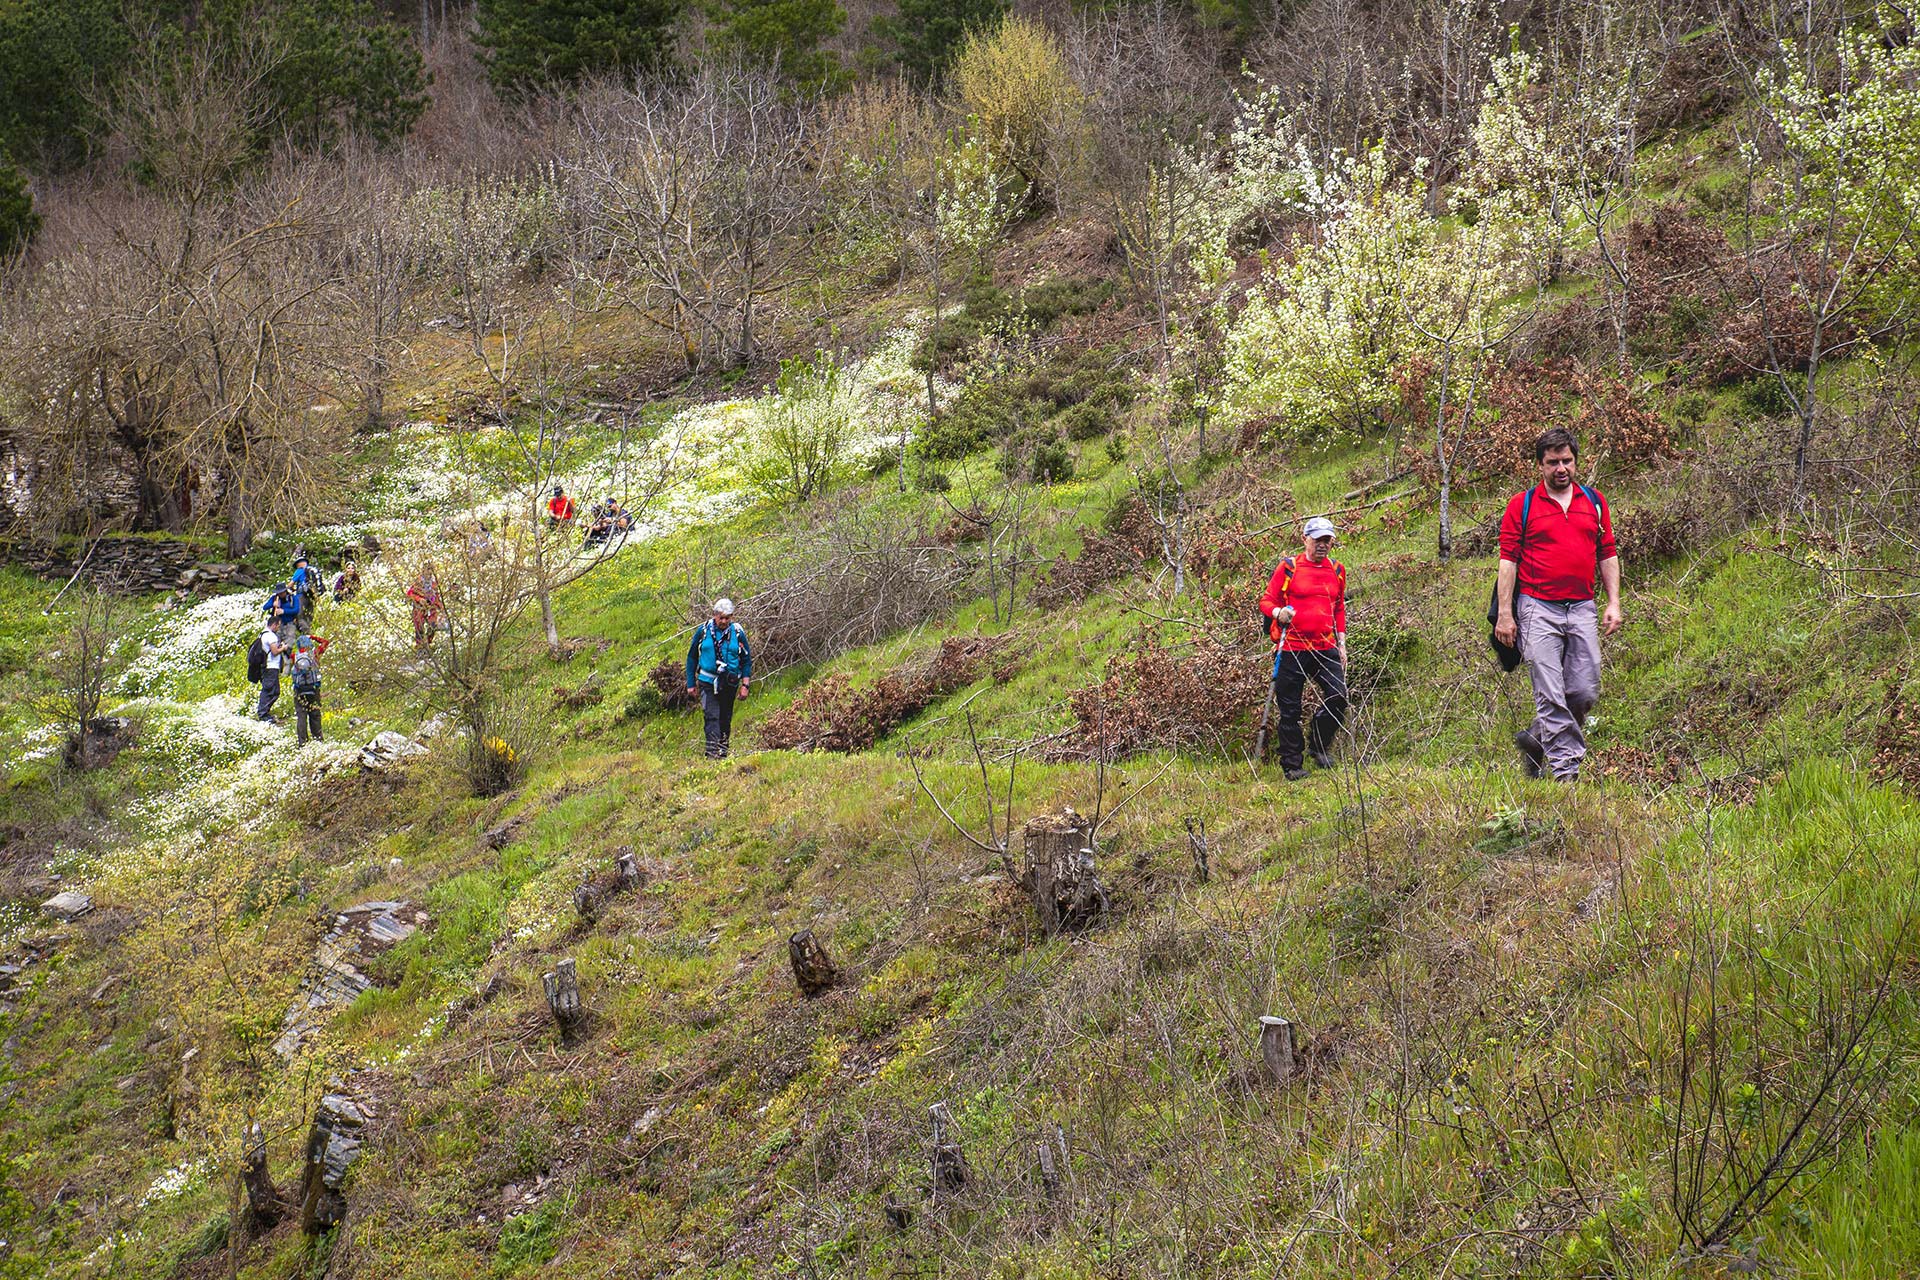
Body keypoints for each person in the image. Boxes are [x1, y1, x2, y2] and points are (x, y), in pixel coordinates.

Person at [1494, 426, 1622, 782]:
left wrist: (1613, 602)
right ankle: (1567, 775)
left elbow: (1606, 552)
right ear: (1541, 466)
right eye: (1553, 462)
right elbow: (1508, 561)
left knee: (1583, 691)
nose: (1561, 468)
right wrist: (1506, 614)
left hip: (1582, 606)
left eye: (1567, 460)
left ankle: (1536, 740)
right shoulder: (1522, 505)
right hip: (1537, 608)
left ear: (1576, 462)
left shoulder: (1594, 502)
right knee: (1550, 692)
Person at [1258, 516, 1349, 781]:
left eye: (1327, 540)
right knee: (1290, 709)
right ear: (1305, 539)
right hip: (1292, 648)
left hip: (1326, 646)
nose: (1323, 545)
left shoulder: (1337, 570)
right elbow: (1266, 600)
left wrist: (1342, 645)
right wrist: (1278, 612)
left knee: (1338, 696)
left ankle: (1319, 746)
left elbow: (1339, 607)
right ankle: (1293, 766)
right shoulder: (1288, 568)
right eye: (1318, 539)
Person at [684, 598, 752, 759]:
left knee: (725, 717)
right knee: (711, 715)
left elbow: (746, 660)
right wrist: (691, 683)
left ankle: (723, 752)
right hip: (707, 681)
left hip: (729, 682)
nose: (723, 621)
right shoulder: (704, 631)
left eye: (727, 618)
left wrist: (745, 684)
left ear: (731, 617)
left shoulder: (737, 633)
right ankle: (712, 753)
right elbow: (691, 657)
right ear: (714, 615)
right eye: (721, 617)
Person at [289, 634, 325, 744]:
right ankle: (318, 739)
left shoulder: (294, 656)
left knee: (301, 716)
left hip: (299, 690)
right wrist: (313, 637)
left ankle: (302, 742)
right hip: (313, 689)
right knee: (315, 715)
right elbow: (325, 642)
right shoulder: (314, 654)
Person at [255, 625, 288, 722]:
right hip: (270, 667)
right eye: (278, 625)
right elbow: (274, 651)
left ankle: (265, 713)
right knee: (269, 690)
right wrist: (283, 648)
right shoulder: (270, 636)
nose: (278, 627)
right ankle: (263, 714)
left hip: (267, 667)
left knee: (275, 691)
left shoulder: (262, 634)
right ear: (274, 624)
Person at [406, 563, 443, 651]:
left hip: (431, 608)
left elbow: (437, 596)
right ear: (423, 570)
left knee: (433, 626)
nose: (430, 572)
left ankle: (428, 644)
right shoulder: (417, 582)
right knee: (419, 627)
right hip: (419, 608)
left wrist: (441, 607)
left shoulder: (434, 584)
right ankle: (420, 648)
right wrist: (419, 599)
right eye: (428, 569)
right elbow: (410, 593)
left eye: (431, 570)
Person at [289, 553, 318, 633]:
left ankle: (307, 633)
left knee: (299, 615)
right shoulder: (312, 571)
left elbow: (291, 584)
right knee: (309, 616)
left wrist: (292, 589)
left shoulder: (299, 570)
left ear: (298, 564)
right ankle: (311, 633)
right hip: (312, 596)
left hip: (301, 595)